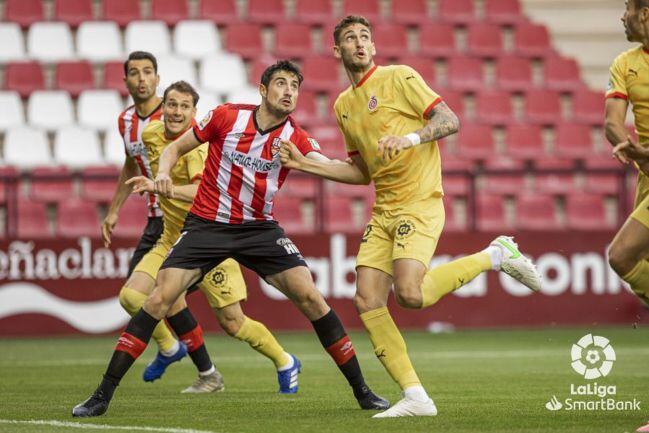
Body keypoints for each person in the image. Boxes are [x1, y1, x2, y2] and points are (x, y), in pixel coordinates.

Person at [71, 60, 388, 418]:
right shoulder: (226, 117)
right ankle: (101, 395)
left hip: (259, 229)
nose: (288, 91)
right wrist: (161, 173)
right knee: (158, 298)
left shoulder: (296, 138)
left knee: (312, 298)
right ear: (263, 90)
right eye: (281, 83)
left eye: (295, 86)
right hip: (207, 225)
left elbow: (348, 173)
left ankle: (362, 391)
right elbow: (174, 148)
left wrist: (308, 163)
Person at [279, 15, 542, 418]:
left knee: (410, 295)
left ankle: (496, 255)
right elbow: (361, 172)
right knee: (367, 299)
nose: (360, 43)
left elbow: (449, 120)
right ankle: (416, 396)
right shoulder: (344, 106)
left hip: (420, 200)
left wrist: (409, 138)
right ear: (337, 51)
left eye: (365, 36)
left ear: (374, 46)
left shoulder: (400, 77)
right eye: (350, 38)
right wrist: (305, 164)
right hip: (384, 207)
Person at [124, 80, 301, 395]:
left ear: (194, 113)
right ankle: (170, 349)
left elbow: (203, 193)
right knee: (134, 296)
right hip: (171, 240)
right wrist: (116, 208)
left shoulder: (201, 149)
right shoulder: (151, 134)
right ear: (162, 106)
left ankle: (285, 360)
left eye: (184, 107)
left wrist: (163, 187)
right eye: (171, 104)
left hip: (211, 238)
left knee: (233, 323)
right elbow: (133, 162)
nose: (176, 112)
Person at [103, 51, 187, 381]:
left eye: (147, 72)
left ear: (157, 78)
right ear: (125, 81)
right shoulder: (125, 121)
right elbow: (129, 163)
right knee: (147, 296)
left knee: (161, 297)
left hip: (179, 219)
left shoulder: (171, 117)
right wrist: (114, 211)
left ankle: (178, 353)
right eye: (134, 73)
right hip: (155, 220)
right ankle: (189, 360)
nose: (141, 78)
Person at [606, 0, 649, 344]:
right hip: (646, 175)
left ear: (644, 13)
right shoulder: (625, 63)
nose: (623, 16)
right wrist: (636, 152)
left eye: (627, 8)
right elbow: (611, 124)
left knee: (621, 255)